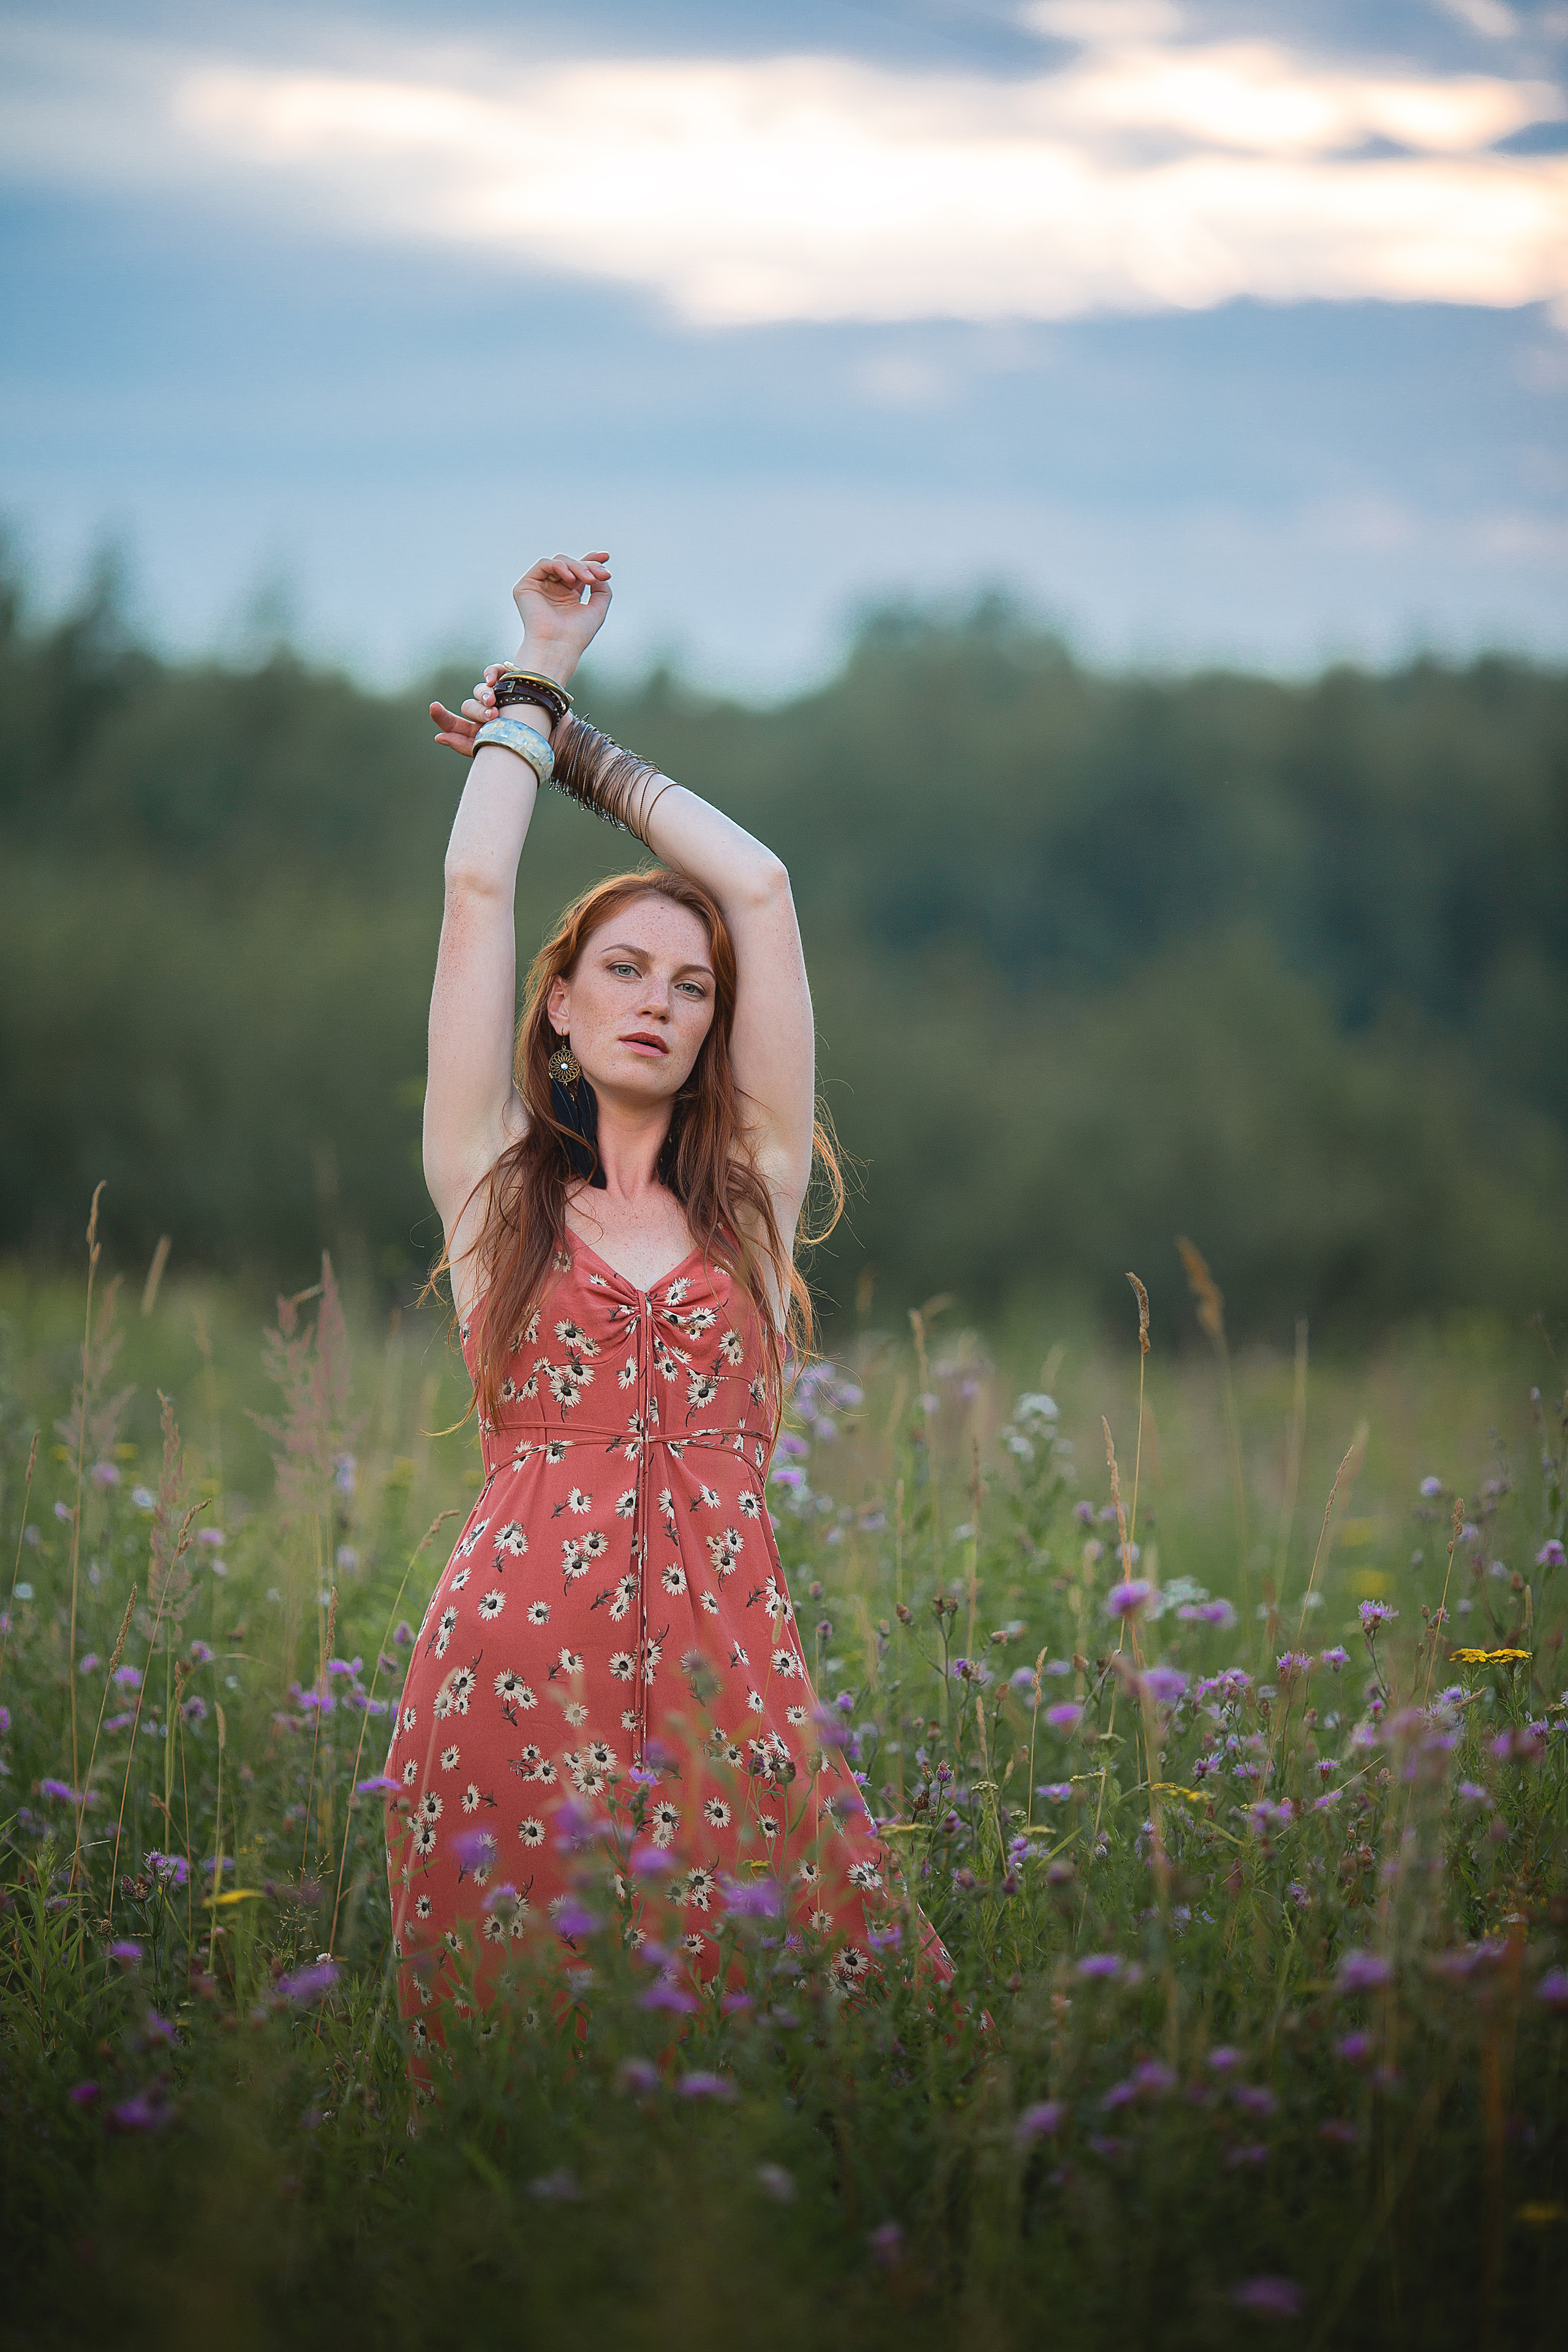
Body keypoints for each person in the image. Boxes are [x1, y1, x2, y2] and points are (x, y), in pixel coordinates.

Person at [382, 551, 946, 2053]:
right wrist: (533, 675)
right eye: (624, 971)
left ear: (713, 1028)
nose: (657, 1000)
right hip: (510, 1663)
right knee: (521, 2054)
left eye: (690, 988)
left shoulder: (749, 1200)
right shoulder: (492, 1186)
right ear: (560, 1007)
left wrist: (580, 752)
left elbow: (757, 886)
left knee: (810, 2035)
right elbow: (474, 887)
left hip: (728, 1669)